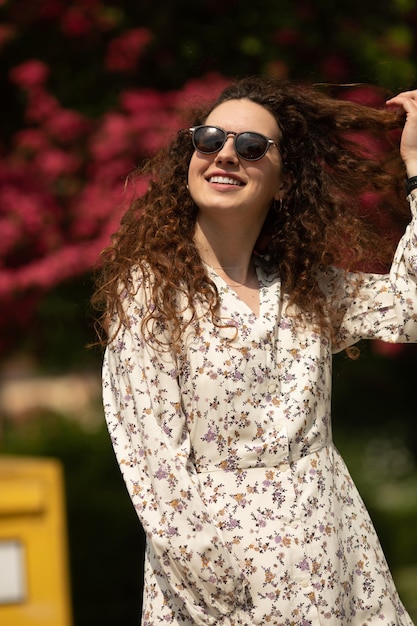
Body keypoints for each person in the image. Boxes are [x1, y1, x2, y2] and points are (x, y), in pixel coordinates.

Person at [94, 76, 417, 625]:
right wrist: (224, 595)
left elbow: (410, 307)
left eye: (250, 147)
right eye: (209, 139)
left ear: (285, 180)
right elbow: (155, 466)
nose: (224, 155)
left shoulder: (305, 290)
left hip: (332, 560)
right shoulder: (152, 292)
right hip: (223, 582)